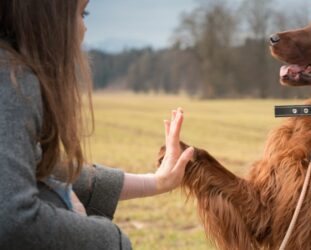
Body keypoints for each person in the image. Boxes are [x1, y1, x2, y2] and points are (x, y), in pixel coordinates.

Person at [0, 0, 194, 249]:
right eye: (82, 13)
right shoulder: (13, 83)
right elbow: (13, 220)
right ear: (46, 15)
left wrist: (156, 181)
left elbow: (36, 169)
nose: (84, 29)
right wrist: (112, 241)